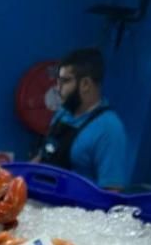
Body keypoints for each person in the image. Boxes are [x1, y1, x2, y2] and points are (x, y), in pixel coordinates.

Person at [38, 48, 127, 189]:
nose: (58, 88)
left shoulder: (109, 129)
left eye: (65, 81)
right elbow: (42, 157)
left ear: (85, 84)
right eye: (58, 81)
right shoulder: (62, 113)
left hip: (74, 209)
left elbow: (112, 191)